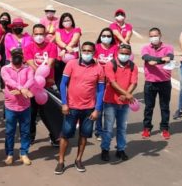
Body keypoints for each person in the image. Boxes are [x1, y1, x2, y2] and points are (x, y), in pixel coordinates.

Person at [55, 41, 105, 175]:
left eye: (90, 51)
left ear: (94, 53)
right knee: (66, 134)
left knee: (84, 135)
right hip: (71, 107)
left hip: (89, 108)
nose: (87, 53)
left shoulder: (99, 68)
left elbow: (101, 90)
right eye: (85, 50)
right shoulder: (71, 64)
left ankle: (78, 160)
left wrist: (97, 109)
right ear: (81, 51)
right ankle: (61, 161)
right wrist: (64, 103)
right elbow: (63, 84)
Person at [23, 24, 60, 147]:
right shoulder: (28, 47)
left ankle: (55, 136)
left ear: (45, 35)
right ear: (33, 35)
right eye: (36, 34)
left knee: (50, 113)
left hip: (47, 85)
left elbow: (49, 64)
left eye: (41, 34)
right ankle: (31, 135)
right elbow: (30, 63)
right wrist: (38, 73)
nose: (39, 36)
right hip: (32, 86)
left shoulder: (52, 46)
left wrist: (41, 73)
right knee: (31, 113)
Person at [100, 43, 136, 162]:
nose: (124, 55)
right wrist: (127, 94)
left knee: (122, 128)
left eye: (126, 54)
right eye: (122, 53)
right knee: (108, 128)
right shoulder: (110, 64)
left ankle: (120, 149)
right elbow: (112, 82)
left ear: (130, 54)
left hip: (124, 103)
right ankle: (105, 149)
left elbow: (134, 83)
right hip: (110, 101)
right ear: (117, 53)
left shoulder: (133, 66)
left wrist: (126, 96)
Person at [1, 48, 35, 166]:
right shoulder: (5, 69)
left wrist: (21, 90)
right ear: (10, 57)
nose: (17, 57)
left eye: (19, 55)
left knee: (25, 131)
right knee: (10, 131)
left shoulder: (28, 69)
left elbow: (31, 80)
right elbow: (8, 81)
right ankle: (9, 154)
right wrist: (23, 89)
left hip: (25, 106)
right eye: (15, 55)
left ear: (23, 57)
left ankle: (24, 153)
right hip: (10, 106)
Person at [140, 28, 174, 140]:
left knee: (165, 107)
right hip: (150, 82)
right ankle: (146, 128)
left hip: (164, 82)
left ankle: (165, 128)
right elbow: (147, 58)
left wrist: (157, 61)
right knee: (149, 107)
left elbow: (169, 57)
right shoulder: (145, 48)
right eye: (151, 36)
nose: (154, 38)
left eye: (156, 35)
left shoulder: (168, 47)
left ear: (160, 35)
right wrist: (162, 59)